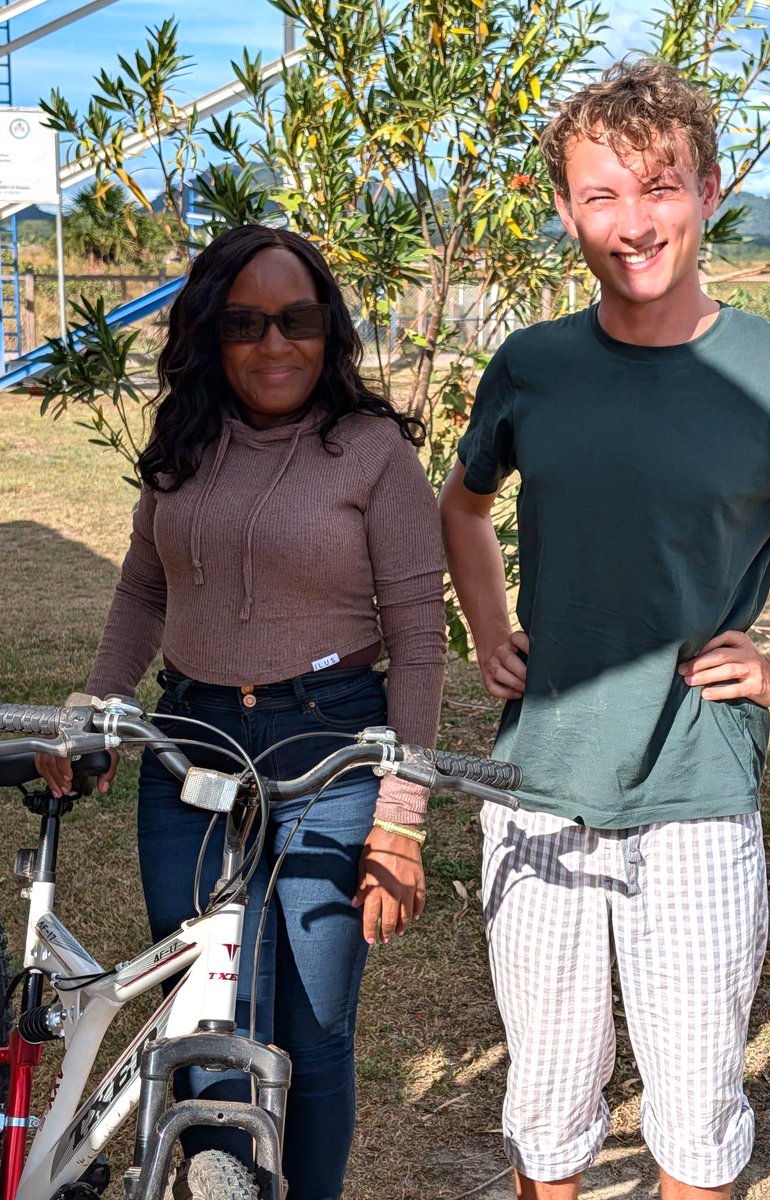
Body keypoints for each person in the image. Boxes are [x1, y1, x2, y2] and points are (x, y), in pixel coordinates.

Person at [439, 58, 770, 1200]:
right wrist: (488, 623)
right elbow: (461, 501)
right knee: (546, 1116)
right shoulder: (534, 366)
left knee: (694, 1120)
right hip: (535, 788)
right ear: (566, 208)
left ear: (706, 190)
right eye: (601, 195)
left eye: (660, 187)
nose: (632, 223)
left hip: (694, 799)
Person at [36, 223, 446, 1199]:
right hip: (189, 751)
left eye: (297, 320)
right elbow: (142, 592)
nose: (275, 344)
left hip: (330, 753)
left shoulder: (372, 451)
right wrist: (100, 706)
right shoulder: (186, 440)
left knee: (313, 1027)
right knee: (209, 1016)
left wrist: (400, 818)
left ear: (330, 329)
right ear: (212, 335)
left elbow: (421, 641)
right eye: (247, 322)